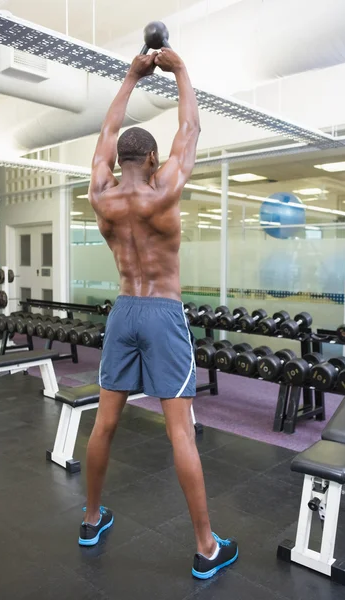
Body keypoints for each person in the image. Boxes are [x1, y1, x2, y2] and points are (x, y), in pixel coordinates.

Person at [78, 47, 238, 580]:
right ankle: (206, 546)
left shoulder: (100, 194)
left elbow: (106, 133)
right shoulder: (163, 191)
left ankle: (91, 517)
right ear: (151, 161)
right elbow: (189, 132)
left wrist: (129, 78)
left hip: (123, 311)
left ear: (117, 162)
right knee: (181, 434)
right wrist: (181, 71)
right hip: (163, 313)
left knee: (104, 424)